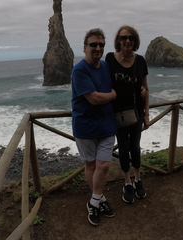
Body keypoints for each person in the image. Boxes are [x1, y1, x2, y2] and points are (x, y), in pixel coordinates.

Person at [71, 28, 117, 226]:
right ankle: (100, 199)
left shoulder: (106, 66)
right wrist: (113, 96)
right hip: (85, 126)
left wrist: (139, 88)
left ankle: (94, 202)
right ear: (84, 47)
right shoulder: (79, 70)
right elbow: (95, 98)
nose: (97, 48)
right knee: (91, 165)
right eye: (93, 45)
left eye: (101, 45)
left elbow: (122, 81)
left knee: (104, 165)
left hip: (106, 125)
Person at [105, 25, 150, 204]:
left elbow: (146, 88)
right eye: (124, 38)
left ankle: (138, 179)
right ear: (118, 41)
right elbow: (102, 80)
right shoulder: (109, 58)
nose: (127, 41)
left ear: (135, 41)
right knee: (123, 148)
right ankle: (127, 182)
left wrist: (146, 114)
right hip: (117, 113)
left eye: (131, 38)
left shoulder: (140, 61)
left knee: (135, 147)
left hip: (136, 112)